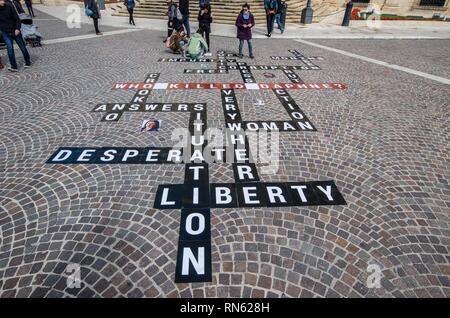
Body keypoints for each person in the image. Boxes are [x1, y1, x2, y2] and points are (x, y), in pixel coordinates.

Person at [0, 0, 31, 72]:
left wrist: (17, 28)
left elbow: (17, 19)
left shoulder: (9, 7)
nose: (3, 1)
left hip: (15, 31)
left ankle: (28, 61)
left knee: (22, 47)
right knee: (10, 49)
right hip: (6, 33)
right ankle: (14, 66)